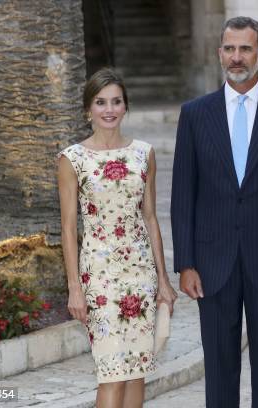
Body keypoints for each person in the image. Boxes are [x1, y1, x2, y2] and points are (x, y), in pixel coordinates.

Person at [171, 16, 258, 407]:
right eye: (230, 49)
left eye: (246, 49)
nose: (237, 58)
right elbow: (183, 195)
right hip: (211, 263)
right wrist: (185, 262)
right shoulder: (195, 114)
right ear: (220, 54)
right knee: (219, 372)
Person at [57, 68, 177, 408]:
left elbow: (150, 217)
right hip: (98, 278)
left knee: (137, 370)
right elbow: (68, 228)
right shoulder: (72, 159)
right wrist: (74, 288)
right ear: (87, 109)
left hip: (140, 274)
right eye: (100, 102)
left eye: (116, 101)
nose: (109, 109)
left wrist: (164, 281)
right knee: (110, 373)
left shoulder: (144, 153)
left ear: (125, 107)